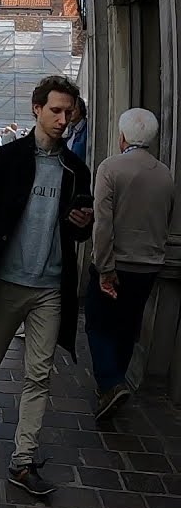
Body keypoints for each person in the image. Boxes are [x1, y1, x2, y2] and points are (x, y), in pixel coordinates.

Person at [0, 75, 93, 497]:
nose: (63, 119)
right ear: (37, 109)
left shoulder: (76, 169)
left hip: (51, 288)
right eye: (55, 110)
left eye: (69, 112)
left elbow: (78, 229)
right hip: (6, 282)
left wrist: (81, 225)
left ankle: (22, 460)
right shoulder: (10, 159)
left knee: (39, 375)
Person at [85, 108, 175, 420]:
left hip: (116, 264)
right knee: (126, 327)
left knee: (97, 324)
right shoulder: (165, 174)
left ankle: (111, 382)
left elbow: (103, 225)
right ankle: (114, 385)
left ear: (122, 136)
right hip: (148, 267)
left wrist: (104, 268)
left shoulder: (110, 167)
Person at [65, 97, 88, 161]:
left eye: (73, 109)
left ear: (80, 109)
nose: (70, 113)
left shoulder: (87, 130)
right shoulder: (70, 129)